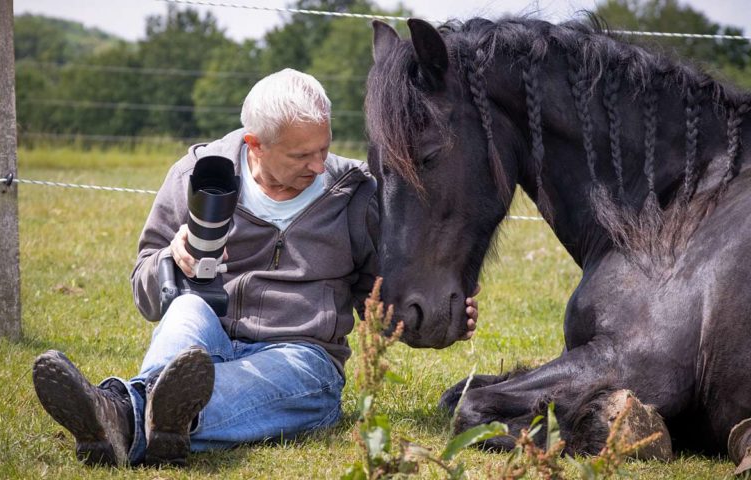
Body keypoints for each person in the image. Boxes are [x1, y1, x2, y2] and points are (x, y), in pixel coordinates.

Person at [31, 68, 479, 467]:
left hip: (302, 357)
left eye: (324, 148)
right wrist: (173, 259)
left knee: (263, 376)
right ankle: (152, 417)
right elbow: (145, 292)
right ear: (255, 145)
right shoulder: (197, 175)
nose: (318, 165)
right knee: (186, 312)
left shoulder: (356, 195)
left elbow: (381, 305)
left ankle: (117, 412)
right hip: (203, 343)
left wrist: (436, 320)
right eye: (301, 155)